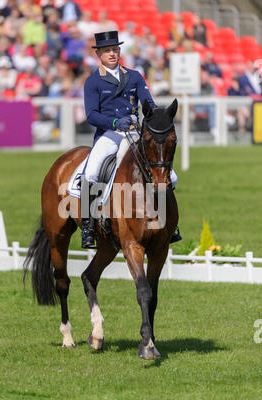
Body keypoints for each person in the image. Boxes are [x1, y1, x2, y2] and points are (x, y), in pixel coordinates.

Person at [82, 31, 181, 248]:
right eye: (107, 50)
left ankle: (168, 225)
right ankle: (88, 227)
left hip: (135, 132)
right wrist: (115, 123)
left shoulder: (134, 76)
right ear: (98, 53)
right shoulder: (93, 81)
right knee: (90, 172)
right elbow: (91, 115)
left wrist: (157, 117)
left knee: (169, 177)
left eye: (115, 49)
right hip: (109, 134)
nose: (112, 54)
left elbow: (148, 103)